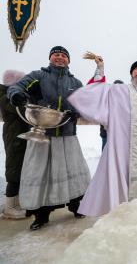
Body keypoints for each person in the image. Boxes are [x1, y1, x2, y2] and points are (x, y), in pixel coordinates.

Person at [68, 56, 137, 217]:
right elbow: (98, 91)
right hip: (125, 145)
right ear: (131, 73)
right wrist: (100, 68)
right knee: (123, 175)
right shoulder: (121, 90)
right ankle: (123, 211)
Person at [7, 46, 91, 230]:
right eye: (56, 55)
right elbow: (16, 86)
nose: (60, 58)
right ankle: (41, 215)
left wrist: (75, 112)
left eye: (63, 55)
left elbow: (85, 103)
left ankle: (77, 205)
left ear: (68, 61)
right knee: (42, 174)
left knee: (72, 172)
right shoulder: (39, 76)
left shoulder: (75, 82)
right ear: (50, 58)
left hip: (67, 134)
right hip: (42, 134)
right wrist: (16, 95)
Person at [0, 70, 28, 219]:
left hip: (20, 134)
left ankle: (17, 202)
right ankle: (10, 206)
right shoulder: (6, 96)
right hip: (14, 135)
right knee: (14, 168)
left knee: (20, 167)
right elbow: (21, 110)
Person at [99, 80, 124, 150]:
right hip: (106, 133)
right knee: (106, 152)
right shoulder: (106, 99)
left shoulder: (125, 101)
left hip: (120, 133)